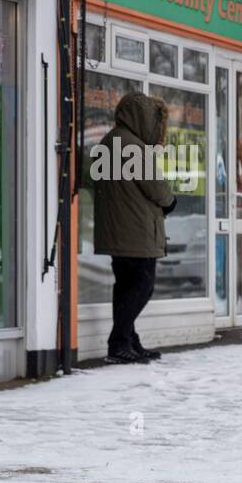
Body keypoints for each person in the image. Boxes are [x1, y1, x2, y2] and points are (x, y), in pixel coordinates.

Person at [91, 91, 176, 364]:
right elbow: (157, 188)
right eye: (154, 121)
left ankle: (129, 341)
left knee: (126, 287)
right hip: (136, 231)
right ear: (143, 118)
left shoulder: (108, 141)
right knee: (142, 286)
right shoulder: (133, 147)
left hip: (118, 230)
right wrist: (171, 201)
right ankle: (119, 342)